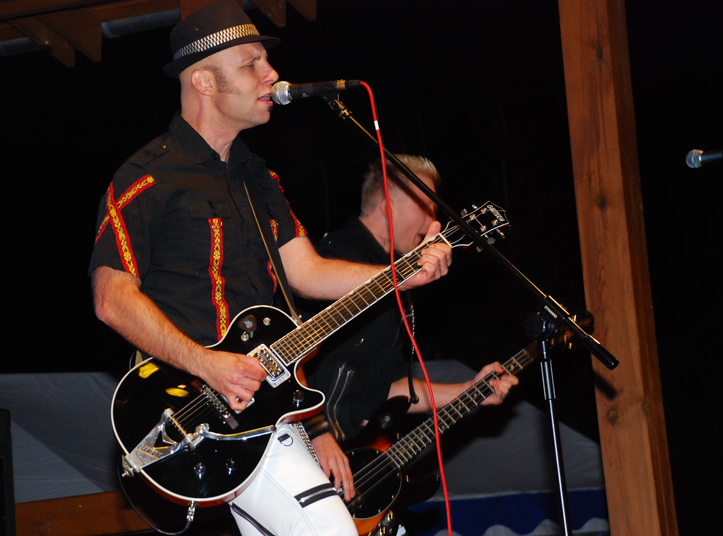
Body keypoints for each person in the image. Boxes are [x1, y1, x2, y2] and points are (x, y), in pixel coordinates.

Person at [88, 2, 451, 535]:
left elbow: (306, 272)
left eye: (266, 61)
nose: (271, 74)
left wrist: (403, 274)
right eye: (251, 63)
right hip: (190, 411)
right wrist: (205, 363)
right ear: (204, 81)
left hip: (264, 407)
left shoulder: (260, 178)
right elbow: (111, 298)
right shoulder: (146, 177)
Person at [301, 154, 519, 504]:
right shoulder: (330, 260)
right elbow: (288, 361)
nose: (435, 221)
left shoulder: (398, 286)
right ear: (388, 204)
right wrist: (316, 431)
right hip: (302, 448)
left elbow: (387, 388)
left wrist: (469, 390)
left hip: (345, 463)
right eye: (427, 207)